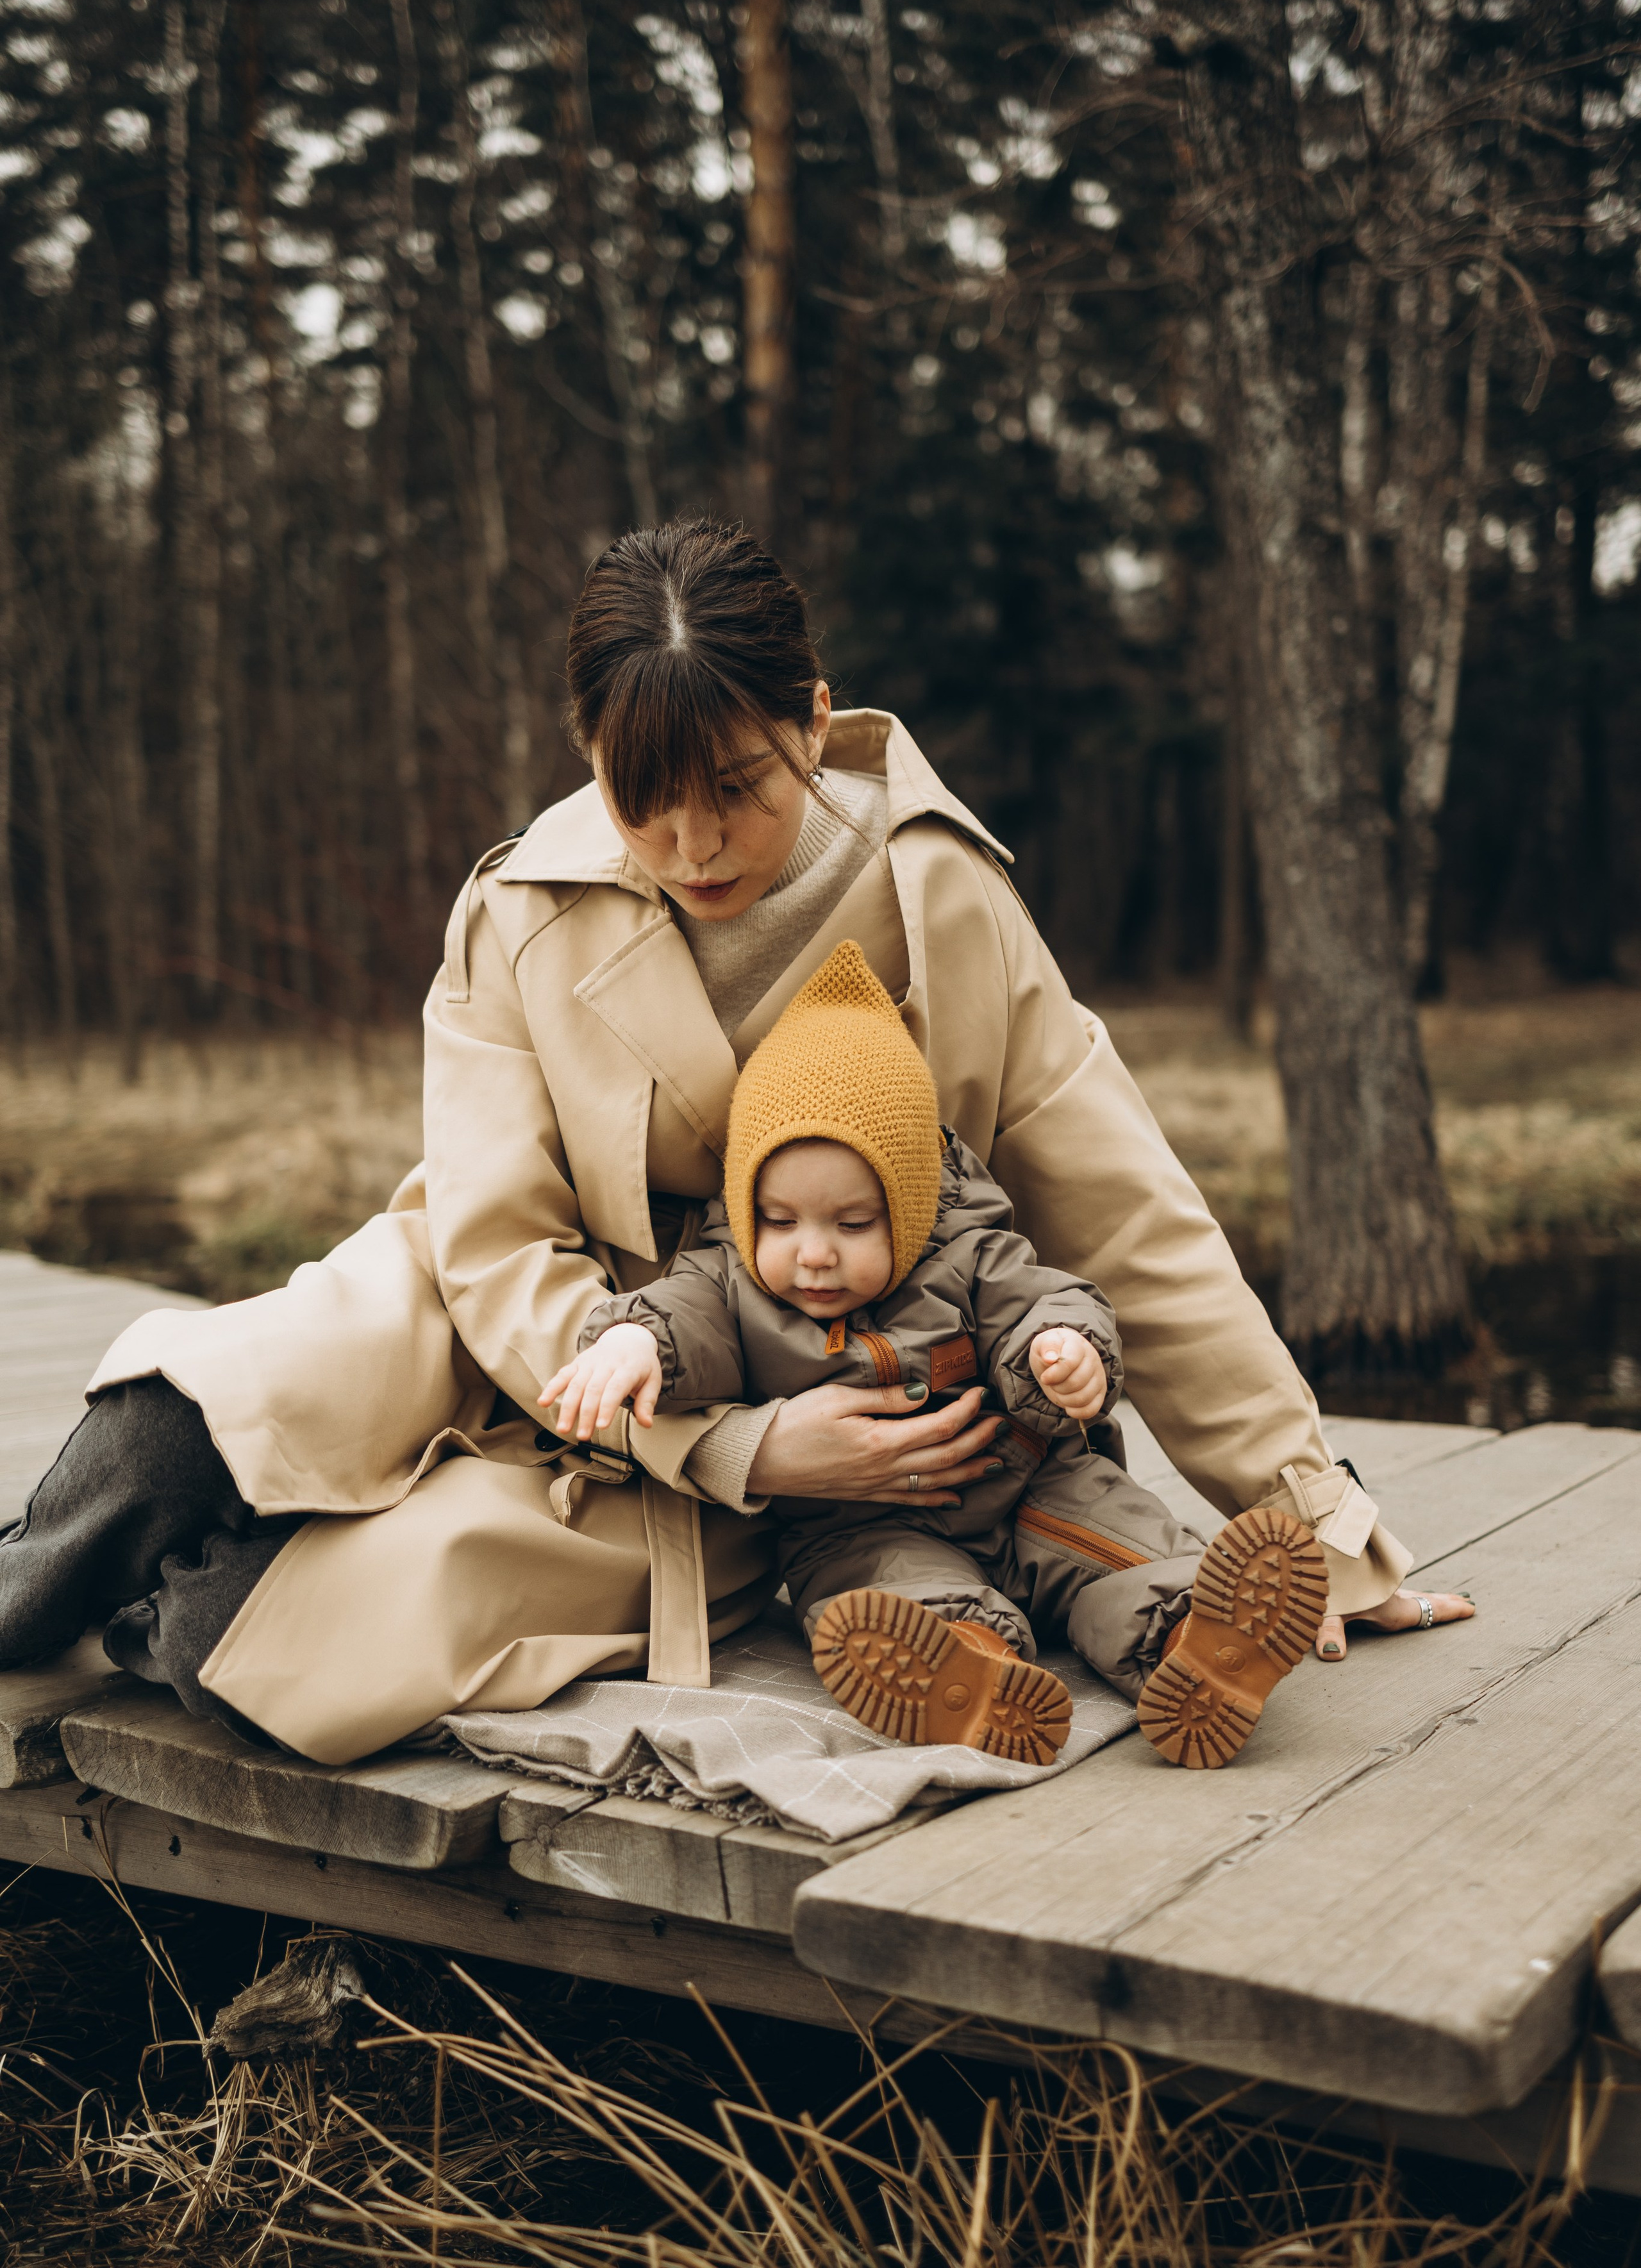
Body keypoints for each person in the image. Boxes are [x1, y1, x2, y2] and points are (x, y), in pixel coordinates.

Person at [0, 517, 1471, 1769]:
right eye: (642, 800)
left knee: (273, 1638)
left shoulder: (936, 897)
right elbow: (496, 1243)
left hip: (820, 1400)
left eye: (737, 788)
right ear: (589, 756)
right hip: (539, 1331)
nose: (693, 844)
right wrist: (716, 1433)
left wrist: (1314, 1522)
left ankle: (137, 1632)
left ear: (811, 723)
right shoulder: (521, 908)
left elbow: (1130, 1220)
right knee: (173, 1425)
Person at [542, 938, 1330, 1772]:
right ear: (745, 1210)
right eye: (780, 1221)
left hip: (1034, 1485)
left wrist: (1062, 1353)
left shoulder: (970, 1256)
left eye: (852, 1224)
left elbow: (1045, 1298)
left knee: (1128, 1544)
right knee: (888, 1591)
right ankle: (968, 1668)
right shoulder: (730, 1282)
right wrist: (636, 1340)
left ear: (912, 1207)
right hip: (864, 1524)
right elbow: (686, 1313)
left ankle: (1198, 1642)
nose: (814, 1254)